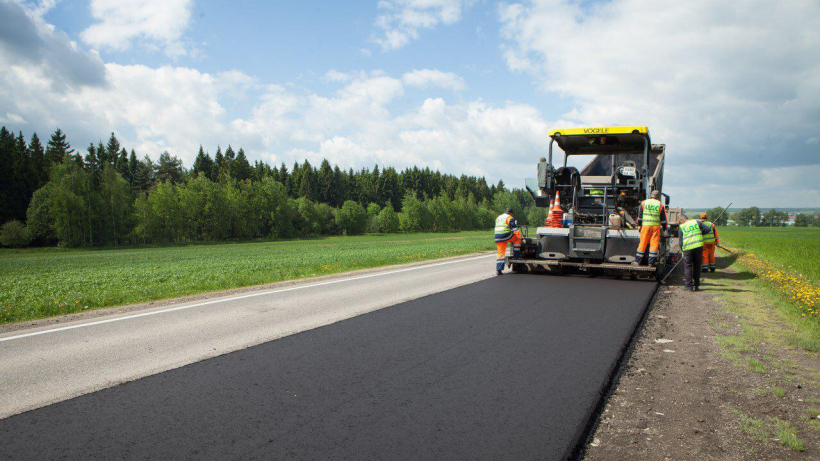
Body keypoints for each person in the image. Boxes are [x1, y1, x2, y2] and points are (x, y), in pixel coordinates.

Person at [678, 215, 712, 291]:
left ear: (682, 219)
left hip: (688, 249)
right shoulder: (696, 222)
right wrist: (701, 232)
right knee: (697, 266)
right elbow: (708, 229)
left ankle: (688, 286)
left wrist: (682, 250)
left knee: (688, 267)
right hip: (698, 247)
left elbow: (680, 242)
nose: (680, 222)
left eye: (680, 221)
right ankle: (696, 285)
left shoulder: (682, 227)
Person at [634, 190, 667, 266]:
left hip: (645, 226)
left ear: (651, 195)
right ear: (658, 197)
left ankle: (638, 261)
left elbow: (640, 217)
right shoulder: (660, 205)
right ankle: (651, 263)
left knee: (643, 243)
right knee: (654, 244)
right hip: (655, 227)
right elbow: (663, 220)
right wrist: (664, 228)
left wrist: (639, 225)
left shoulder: (644, 203)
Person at [494, 207, 522, 275]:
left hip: (497, 237)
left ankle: (499, 270)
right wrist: (521, 237)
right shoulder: (509, 218)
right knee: (517, 239)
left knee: (501, 253)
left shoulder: (498, 217)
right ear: (511, 213)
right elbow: (515, 229)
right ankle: (516, 256)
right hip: (505, 235)